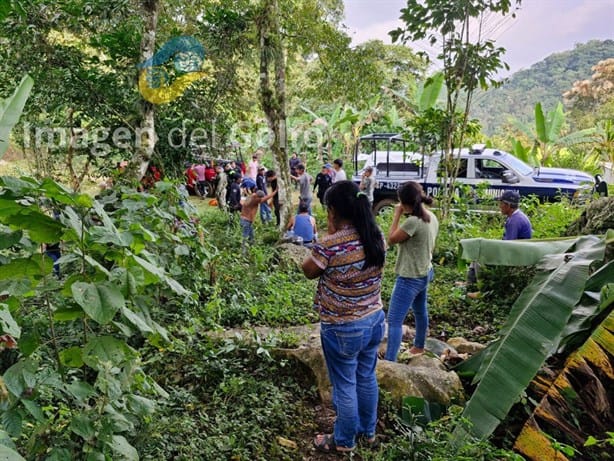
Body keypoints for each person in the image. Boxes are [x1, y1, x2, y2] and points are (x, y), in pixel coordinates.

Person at [302, 180, 386, 454]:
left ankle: (343, 441)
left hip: (343, 327)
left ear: (333, 210)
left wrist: (329, 234)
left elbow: (308, 270)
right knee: (366, 377)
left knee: (345, 385)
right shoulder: (376, 236)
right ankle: (368, 433)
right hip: (374, 319)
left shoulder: (330, 245)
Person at [384, 181, 439, 361]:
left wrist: (397, 215)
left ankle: (390, 361)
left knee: (394, 321)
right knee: (420, 310)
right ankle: (419, 346)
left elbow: (391, 239)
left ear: (403, 201)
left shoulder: (413, 222)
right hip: (425, 271)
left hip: (410, 277)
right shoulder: (431, 217)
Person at [239, 182, 276, 253]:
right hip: (246, 221)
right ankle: (243, 253)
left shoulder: (251, 196)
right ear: (258, 197)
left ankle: (252, 249)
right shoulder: (255, 200)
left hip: (245, 220)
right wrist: (274, 192)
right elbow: (265, 198)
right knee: (245, 237)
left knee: (251, 236)